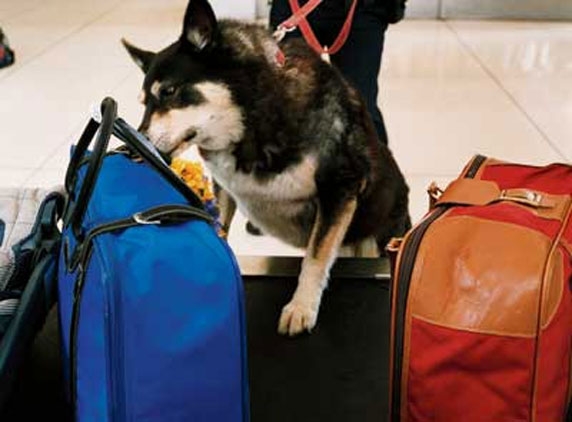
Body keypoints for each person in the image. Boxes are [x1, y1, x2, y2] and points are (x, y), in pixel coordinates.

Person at [245, 0, 406, 236]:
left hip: (362, 8)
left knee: (363, 106)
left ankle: (386, 206)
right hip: (295, 5)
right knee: (285, 101)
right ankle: (276, 201)